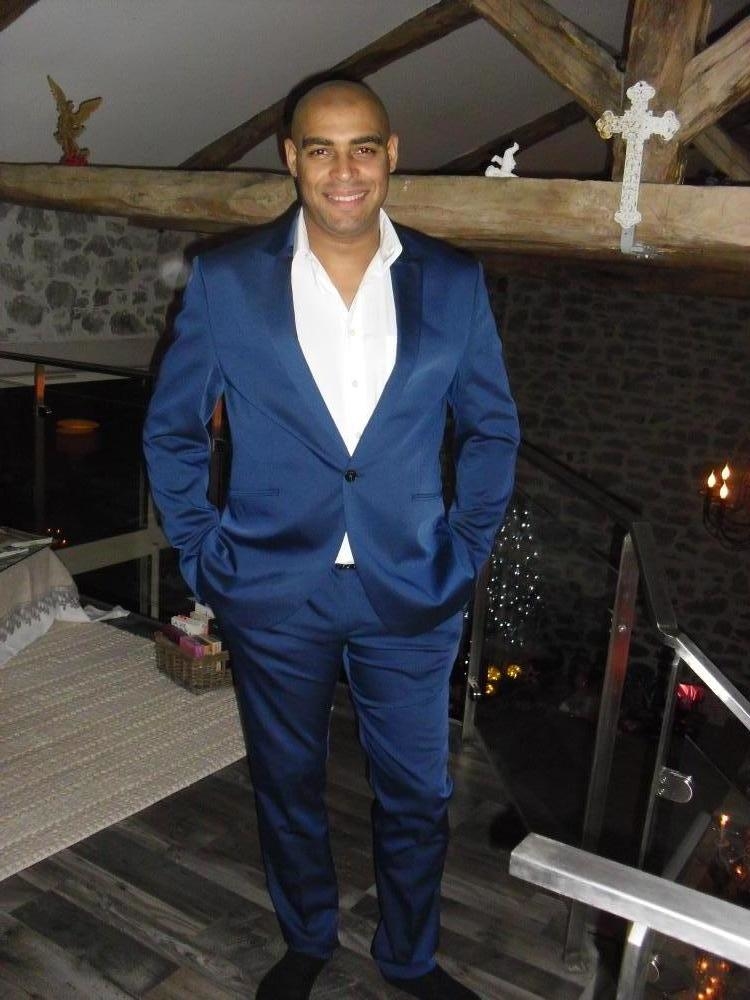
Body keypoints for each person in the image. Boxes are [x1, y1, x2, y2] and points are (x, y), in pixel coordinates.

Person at [143, 76, 519, 1000]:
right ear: (292, 159)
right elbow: (172, 430)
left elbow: (491, 428)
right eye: (321, 148)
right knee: (286, 783)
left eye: (362, 147)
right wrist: (204, 555)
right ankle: (307, 938)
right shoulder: (229, 280)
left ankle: (409, 957)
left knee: (419, 794)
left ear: (391, 154)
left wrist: (466, 550)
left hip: (413, 588)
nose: (342, 170)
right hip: (273, 588)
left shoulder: (454, 280)